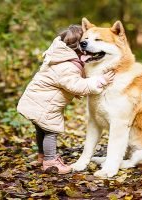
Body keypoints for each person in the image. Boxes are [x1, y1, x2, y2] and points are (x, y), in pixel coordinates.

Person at [17, 25, 114, 174]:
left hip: (36, 101)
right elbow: (77, 85)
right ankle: (50, 162)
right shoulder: (67, 66)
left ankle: (42, 156)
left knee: (41, 130)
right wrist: (100, 81)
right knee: (50, 131)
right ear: (79, 49)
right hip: (45, 106)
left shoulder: (57, 57)